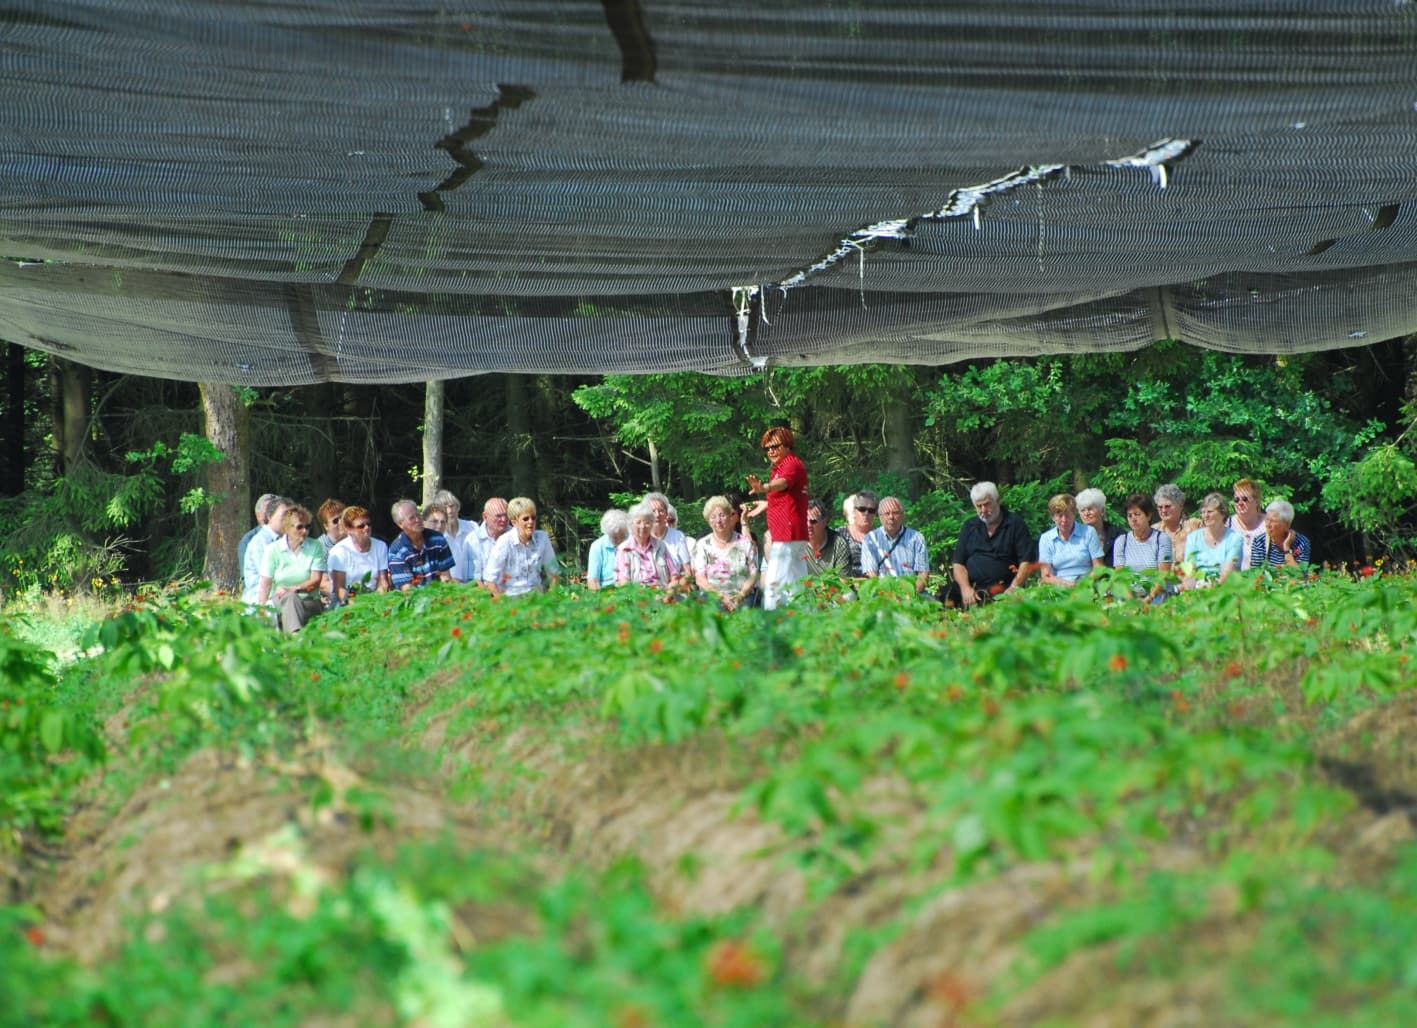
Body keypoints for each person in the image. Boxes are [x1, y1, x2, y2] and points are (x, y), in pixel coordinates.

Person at [745, 426, 809, 610]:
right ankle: (810, 619)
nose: (771, 451)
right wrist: (766, 504)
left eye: (775, 446)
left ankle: (770, 624)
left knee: (774, 581)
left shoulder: (791, 464)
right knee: (799, 584)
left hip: (787, 534)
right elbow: (789, 497)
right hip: (792, 533)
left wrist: (764, 488)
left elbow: (782, 484)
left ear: (787, 445)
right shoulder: (779, 467)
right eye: (767, 448)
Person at [947, 482, 1035, 607]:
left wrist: (1014, 588)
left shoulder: (1015, 524)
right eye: (979, 506)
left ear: (997, 501)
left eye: (987, 504)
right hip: (971, 589)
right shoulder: (969, 526)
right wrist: (966, 588)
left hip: (1003, 589)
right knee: (940, 599)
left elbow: (1026, 562)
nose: (983, 510)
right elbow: (958, 564)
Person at [256, 503, 327, 632]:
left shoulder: (315, 546)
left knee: (291, 597)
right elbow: (265, 584)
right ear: (287, 528)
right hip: (280, 602)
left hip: (309, 601)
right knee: (289, 599)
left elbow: (316, 581)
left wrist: (293, 589)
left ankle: (294, 639)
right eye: (299, 527)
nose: (305, 531)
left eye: (307, 527)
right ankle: (296, 637)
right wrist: (262, 609)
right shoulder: (272, 550)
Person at [691, 495, 759, 611]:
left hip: (743, 597)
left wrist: (740, 596)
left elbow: (754, 574)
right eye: (713, 517)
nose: (718, 520)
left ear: (730, 517)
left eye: (722, 515)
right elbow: (700, 579)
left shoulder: (745, 542)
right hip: (713, 597)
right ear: (708, 521)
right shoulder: (702, 544)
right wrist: (722, 597)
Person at [484, 497, 561, 597]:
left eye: (533, 517)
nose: (531, 522)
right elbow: (490, 579)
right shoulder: (504, 542)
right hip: (511, 599)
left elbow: (553, 573)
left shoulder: (542, 538)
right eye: (525, 519)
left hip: (536, 597)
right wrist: (501, 604)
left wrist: (550, 598)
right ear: (514, 522)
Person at [862, 496, 932, 594]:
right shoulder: (870, 539)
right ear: (880, 517)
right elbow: (871, 573)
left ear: (902, 515)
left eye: (895, 513)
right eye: (887, 513)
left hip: (912, 591)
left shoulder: (917, 537)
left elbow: (923, 573)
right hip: (881, 592)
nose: (891, 517)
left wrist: (912, 595)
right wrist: (887, 595)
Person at [327, 505, 392, 604]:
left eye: (368, 524)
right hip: (346, 600)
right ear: (349, 530)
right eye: (361, 526)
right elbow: (339, 589)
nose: (366, 528)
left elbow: (383, 581)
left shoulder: (381, 546)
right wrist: (357, 605)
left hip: (375, 598)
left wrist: (377, 602)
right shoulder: (338, 551)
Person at [388, 498, 456, 590]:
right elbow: (407, 590)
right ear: (400, 524)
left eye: (418, 515)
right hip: (412, 600)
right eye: (412, 518)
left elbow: (445, 577)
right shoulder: (396, 551)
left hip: (439, 595)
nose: (418, 520)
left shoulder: (437, 539)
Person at [1037, 493, 1104, 586]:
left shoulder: (1089, 532)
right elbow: (1046, 575)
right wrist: (1068, 584)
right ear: (1053, 517)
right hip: (1058, 587)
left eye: (1067, 515)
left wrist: (1083, 584)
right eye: (1060, 515)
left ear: (1074, 514)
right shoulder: (1046, 539)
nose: (1064, 520)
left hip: (1087, 584)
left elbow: (1099, 566)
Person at [1182, 492, 1244, 588]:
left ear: (1223, 513)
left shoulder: (1235, 539)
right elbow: (1189, 572)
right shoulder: (1193, 538)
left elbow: (1227, 574)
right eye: (1203, 512)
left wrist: (1209, 592)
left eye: (1210, 512)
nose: (1205, 515)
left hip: (1224, 590)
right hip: (1197, 590)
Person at [616, 501, 681, 588]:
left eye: (647, 522)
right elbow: (623, 581)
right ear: (631, 525)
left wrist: (668, 592)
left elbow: (674, 575)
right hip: (638, 596)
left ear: (652, 524)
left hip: (663, 593)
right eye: (638, 522)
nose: (643, 526)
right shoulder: (624, 549)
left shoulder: (661, 546)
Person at [242, 495, 291, 604]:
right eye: (283, 515)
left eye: (290, 516)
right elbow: (267, 578)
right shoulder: (260, 542)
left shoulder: (285, 539)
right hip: (259, 598)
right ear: (269, 516)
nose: (287, 520)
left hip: (282, 592)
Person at [1113, 494, 1174, 573]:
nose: (1133, 519)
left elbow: (1163, 575)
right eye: (1130, 515)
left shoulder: (1162, 539)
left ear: (1148, 516)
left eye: (1137, 514)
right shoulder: (1121, 541)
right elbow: (1120, 576)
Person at [644, 492, 693, 579]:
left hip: (675, 585)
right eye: (653, 511)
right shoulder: (641, 537)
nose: (657, 514)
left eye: (661, 511)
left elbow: (687, 571)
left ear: (666, 514)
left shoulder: (678, 537)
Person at [430, 488, 476, 582]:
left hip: (475, 585)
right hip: (450, 587)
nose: (449, 511)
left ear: (458, 507)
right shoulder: (436, 538)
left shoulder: (472, 528)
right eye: (444, 508)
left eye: (452, 506)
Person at [1251, 499, 1311, 569]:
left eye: (1273, 521)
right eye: (1267, 519)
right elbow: (1255, 574)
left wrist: (1287, 548)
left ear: (1287, 525)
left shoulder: (1302, 542)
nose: (1268, 524)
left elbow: (1300, 575)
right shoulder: (1259, 541)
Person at [465, 497, 510, 586]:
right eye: (499, 516)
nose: (504, 519)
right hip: (486, 595)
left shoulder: (515, 536)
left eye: (506, 515)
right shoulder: (473, 540)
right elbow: (474, 580)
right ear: (485, 517)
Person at [804, 497, 852, 577]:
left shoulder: (838, 544)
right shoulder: (796, 543)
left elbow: (843, 581)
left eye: (813, 521)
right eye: (804, 520)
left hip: (832, 588)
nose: (808, 525)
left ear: (824, 522)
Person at [1076, 488, 1124, 568]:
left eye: (1090, 509)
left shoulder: (1117, 534)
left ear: (1102, 511)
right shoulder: (1075, 537)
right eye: (1082, 510)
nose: (1086, 513)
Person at [1153, 483, 1200, 563]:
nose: (1163, 511)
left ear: (1180, 506)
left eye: (1167, 506)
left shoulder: (1196, 526)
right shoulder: (1153, 531)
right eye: (1160, 507)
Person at [585, 508, 630, 590]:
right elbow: (593, 580)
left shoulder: (634, 542)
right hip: (607, 594)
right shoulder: (597, 546)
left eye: (623, 536)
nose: (620, 541)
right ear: (607, 533)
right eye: (615, 537)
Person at [1228, 478, 1267, 570]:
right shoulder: (1227, 525)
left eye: (1245, 499)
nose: (1240, 503)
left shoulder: (1268, 523)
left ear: (1256, 501)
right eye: (1236, 500)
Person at [840, 490, 878, 577]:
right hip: (846, 586)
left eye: (871, 510)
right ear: (854, 511)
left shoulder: (882, 536)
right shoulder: (838, 535)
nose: (866, 513)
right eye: (862, 509)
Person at [238, 492, 277, 573]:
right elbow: (246, 575)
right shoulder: (248, 540)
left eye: (275, 511)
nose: (271, 516)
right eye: (268, 511)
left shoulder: (287, 536)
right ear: (258, 515)